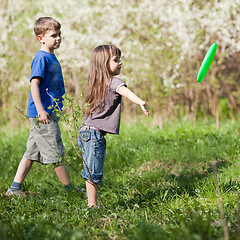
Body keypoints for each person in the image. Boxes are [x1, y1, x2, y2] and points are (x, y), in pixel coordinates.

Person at [6, 17, 73, 196]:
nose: (58, 38)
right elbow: (34, 85)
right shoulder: (41, 58)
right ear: (41, 38)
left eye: (59, 34)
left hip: (45, 113)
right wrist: (42, 110)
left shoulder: (51, 56)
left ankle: (14, 189)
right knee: (55, 152)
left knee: (31, 153)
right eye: (53, 35)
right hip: (42, 115)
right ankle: (70, 191)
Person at [78, 45, 149, 207]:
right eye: (116, 60)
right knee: (93, 172)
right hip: (94, 134)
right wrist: (140, 102)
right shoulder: (113, 82)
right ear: (104, 64)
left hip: (84, 131)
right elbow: (125, 92)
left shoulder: (96, 82)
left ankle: (91, 203)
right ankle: (92, 205)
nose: (120, 63)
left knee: (90, 170)